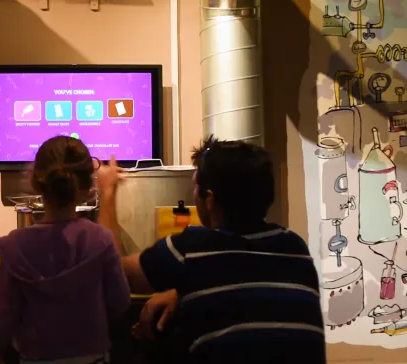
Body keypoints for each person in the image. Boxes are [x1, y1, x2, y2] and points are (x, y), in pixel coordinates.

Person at [96, 135, 326, 363]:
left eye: (195, 187)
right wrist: (183, 292)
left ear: (209, 199)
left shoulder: (193, 248)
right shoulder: (295, 247)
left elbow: (115, 272)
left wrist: (106, 193)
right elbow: (248, 283)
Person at [0, 136, 131, 364]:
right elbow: (120, 303)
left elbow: (1, 322)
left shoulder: (15, 246)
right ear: (86, 188)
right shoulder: (101, 240)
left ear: (36, 183)